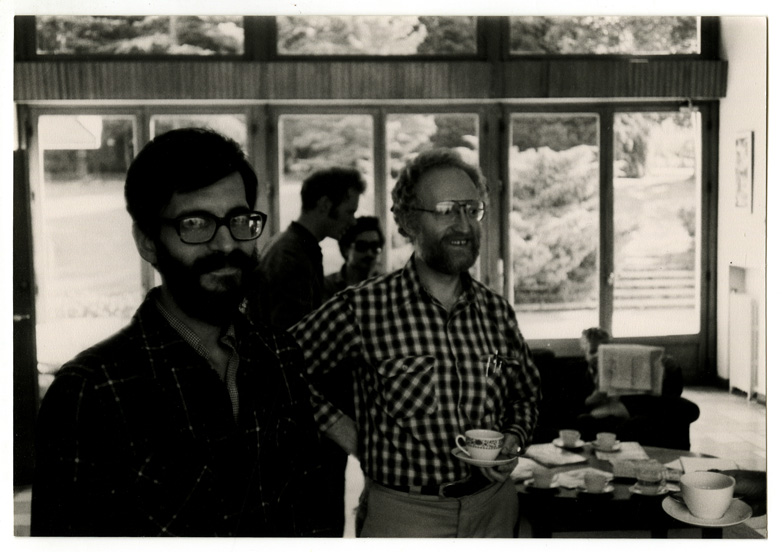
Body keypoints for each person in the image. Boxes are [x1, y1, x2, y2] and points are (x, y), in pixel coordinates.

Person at [30, 128, 322, 537]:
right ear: (148, 242)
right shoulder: (92, 392)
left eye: (239, 220)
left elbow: (305, 513)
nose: (226, 244)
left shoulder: (280, 355)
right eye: (195, 223)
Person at [291, 148, 541, 538]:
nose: (463, 224)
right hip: (403, 516)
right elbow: (275, 366)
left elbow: (526, 394)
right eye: (445, 210)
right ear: (408, 221)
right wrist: (339, 427)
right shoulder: (362, 307)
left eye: (471, 209)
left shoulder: (498, 312)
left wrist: (514, 437)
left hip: (493, 510)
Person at [248, 166, 365, 330]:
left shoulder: (292, 245)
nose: (353, 221)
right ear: (324, 205)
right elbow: (293, 334)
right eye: (349, 212)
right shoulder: (291, 255)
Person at [323, 215, 385, 301]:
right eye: (362, 246)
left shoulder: (385, 284)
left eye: (374, 246)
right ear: (346, 249)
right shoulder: (327, 285)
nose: (369, 253)